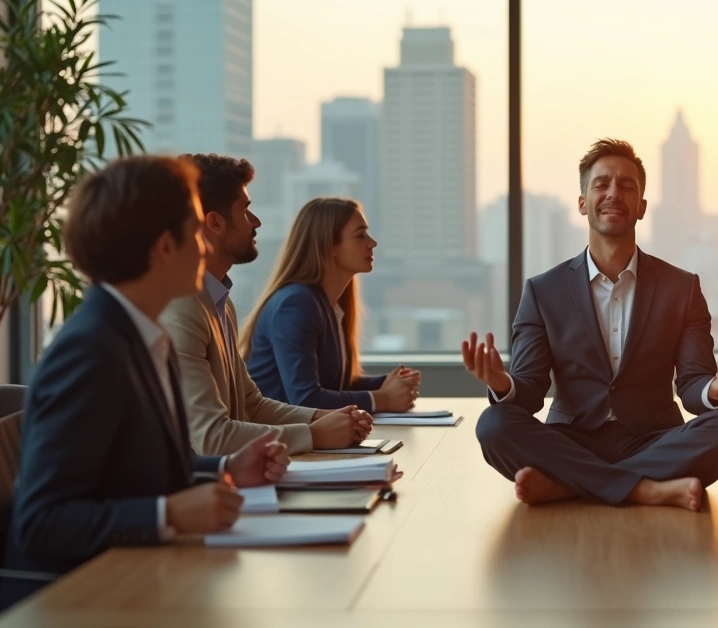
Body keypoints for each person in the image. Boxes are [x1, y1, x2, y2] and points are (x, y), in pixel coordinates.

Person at [1, 156, 290, 606]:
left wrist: (226, 469)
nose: (205, 246)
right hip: (85, 601)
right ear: (163, 248)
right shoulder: (90, 351)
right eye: (195, 231)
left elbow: (135, 472)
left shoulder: (144, 336)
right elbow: (41, 523)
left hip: (143, 579)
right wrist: (168, 512)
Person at [465, 139, 718, 512]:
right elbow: (530, 390)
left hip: (654, 439)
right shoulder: (542, 291)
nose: (613, 193)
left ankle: (568, 485)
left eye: (627, 186)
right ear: (583, 201)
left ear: (642, 207)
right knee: (493, 425)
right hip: (572, 439)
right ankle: (646, 490)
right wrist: (502, 384)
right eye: (601, 184)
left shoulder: (682, 288)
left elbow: (693, 383)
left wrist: (717, 389)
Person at [162, 155, 373, 456]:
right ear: (215, 222)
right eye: (246, 211)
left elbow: (251, 405)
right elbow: (211, 439)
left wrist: (323, 418)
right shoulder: (182, 309)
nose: (256, 222)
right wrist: (314, 434)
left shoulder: (219, 301)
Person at [241, 197, 420, 413]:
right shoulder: (296, 304)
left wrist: (388, 384)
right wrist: (383, 399)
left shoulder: (327, 305)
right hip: (277, 442)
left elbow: (334, 385)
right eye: (360, 235)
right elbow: (305, 400)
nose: (372, 242)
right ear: (329, 246)